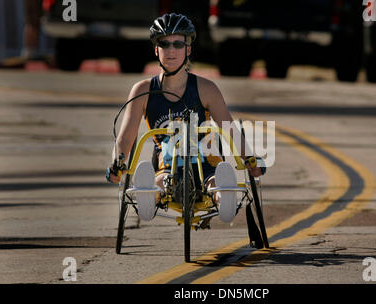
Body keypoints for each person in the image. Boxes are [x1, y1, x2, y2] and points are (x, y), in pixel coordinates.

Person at [106, 13, 265, 222]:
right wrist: (117, 164)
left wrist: (250, 159)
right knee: (161, 181)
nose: (171, 50)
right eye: (164, 44)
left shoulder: (207, 88)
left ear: (188, 49)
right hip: (167, 164)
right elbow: (126, 138)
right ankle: (148, 195)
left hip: (206, 161)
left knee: (214, 180)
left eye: (178, 44)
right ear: (156, 49)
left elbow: (229, 129)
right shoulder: (142, 90)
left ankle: (223, 195)